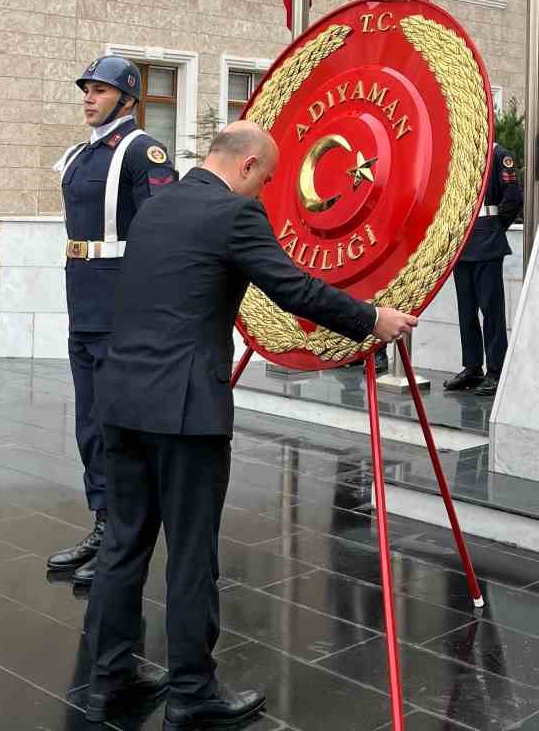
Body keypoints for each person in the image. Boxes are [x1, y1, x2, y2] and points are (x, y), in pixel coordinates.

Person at [81, 122, 418, 728]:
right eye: (264, 178)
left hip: (122, 400)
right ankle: (191, 693)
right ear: (247, 165)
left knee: (123, 542)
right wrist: (372, 318)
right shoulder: (232, 216)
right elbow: (292, 289)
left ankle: (111, 674)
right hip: (183, 411)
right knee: (190, 553)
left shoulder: (156, 209)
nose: (262, 191)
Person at [46, 55, 178, 586]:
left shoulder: (143, 152)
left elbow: (158, 236)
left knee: (118, 426)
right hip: (84, 299)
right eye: (86, 89)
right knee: (91, 425)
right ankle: (103, 523)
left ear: (126, 98)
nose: (88, 98)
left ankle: (124, 537)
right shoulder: (83, 153)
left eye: (99, 90)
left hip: (121, 303)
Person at [444, 142, 523, 397]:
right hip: (463, 244)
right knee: (466, 311)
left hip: (487, 243)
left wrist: (494, 227)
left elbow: (512, 200)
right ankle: (472, 367)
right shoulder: (461, 155)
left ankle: (496, 370)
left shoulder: (500, 155)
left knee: (491, 310)